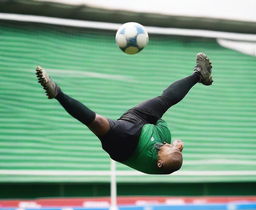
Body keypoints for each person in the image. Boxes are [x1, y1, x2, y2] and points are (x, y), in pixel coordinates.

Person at [36, 52, 212, 175]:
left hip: (127, 146)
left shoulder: (152, 163)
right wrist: (174, 147)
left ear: (159, 162)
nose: (168, 145)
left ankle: (57, 93)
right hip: (138, 121)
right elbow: (159, 123)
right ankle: (198, 75)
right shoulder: (165, 138)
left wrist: (173, 147)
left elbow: (164, 152)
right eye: (171, 146)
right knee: (165, 99)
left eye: (167, 149)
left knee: (96, 121)